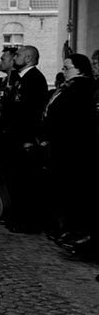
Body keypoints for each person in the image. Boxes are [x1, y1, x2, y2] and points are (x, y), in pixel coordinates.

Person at [41, 53, 96, 251]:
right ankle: (65, 227)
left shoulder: (81, 88)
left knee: (73, 191)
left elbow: (74, 118)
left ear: (79, 68)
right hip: (59, 145)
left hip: (72, 147)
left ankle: (74, 229)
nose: (63, 71)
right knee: (62, 189)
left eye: (67, 68)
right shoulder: (68, 87)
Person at [3, 45, 49, 234]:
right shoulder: (19, 79)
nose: (15, 58)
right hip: (15, 137)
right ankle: (16, 217)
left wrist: (29, 138)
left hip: (25, 139)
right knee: (16, 181)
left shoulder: (35, 79)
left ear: (29, 58)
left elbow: (32, 112)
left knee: (25, 183)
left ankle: (26, 221)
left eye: (19, 55)